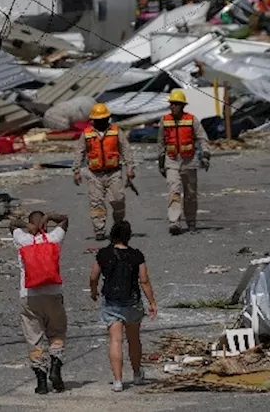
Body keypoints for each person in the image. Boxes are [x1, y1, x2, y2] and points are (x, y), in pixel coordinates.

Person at [89, 220, 157, 391]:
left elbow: (93, 276)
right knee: (134, 340)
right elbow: (144, 280)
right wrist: (152, 302)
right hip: (132, 301)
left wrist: (93, 291)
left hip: (111, 302)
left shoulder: (103, 254)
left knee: (115, 340)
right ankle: (136, 374)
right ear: (129, 236)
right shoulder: (136, 255)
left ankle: (118, 381)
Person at [12, 210, 70, 394]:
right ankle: (55, 367)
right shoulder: (53, 238)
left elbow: (11, 224)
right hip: (53, 293)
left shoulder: (22, 239)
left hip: (29, 296)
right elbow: (65, 219)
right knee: (57, 332)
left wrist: (25, 225)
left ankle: (41, 381)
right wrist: (51, 217)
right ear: (44, 223)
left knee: (34, 337)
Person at [74, 103, 134, 240]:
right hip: (94, 174)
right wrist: (76, 170)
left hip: (114, 172)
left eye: (103, 119)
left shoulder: (116, 131)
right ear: (93, 120)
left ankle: (118, 224)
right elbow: (80, 152)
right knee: (96, 203)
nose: (100, 122)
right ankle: (99, 230)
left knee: (118, 200)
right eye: (97, 119)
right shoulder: (87, 134)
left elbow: (125, 149)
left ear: (108, 118)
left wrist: (130, 167)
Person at [157, 89, 210, 235]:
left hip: (189, 160)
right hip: (172, 160)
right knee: (174, 191)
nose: (173, 106)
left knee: (190, 193)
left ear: (182, 106)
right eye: (171, 104)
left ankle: (191, 221)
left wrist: (205, 155)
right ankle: (174, 222)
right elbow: (161, 142)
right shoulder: (164, 121)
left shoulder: (192, 120)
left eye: (176, 104)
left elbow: (202, 138)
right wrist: (161, 162)